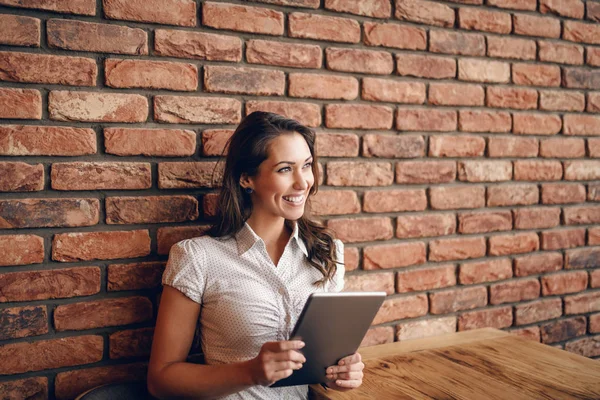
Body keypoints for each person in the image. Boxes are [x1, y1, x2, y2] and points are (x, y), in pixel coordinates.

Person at [147, 112, 364, 399]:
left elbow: (322, 362)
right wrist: (250, 372)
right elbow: (161, 380)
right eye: (285, 169)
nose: (303, 183)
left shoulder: (327, 253)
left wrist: (340, 372)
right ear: (246, 178)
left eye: (307, 165)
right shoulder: (197, 257)